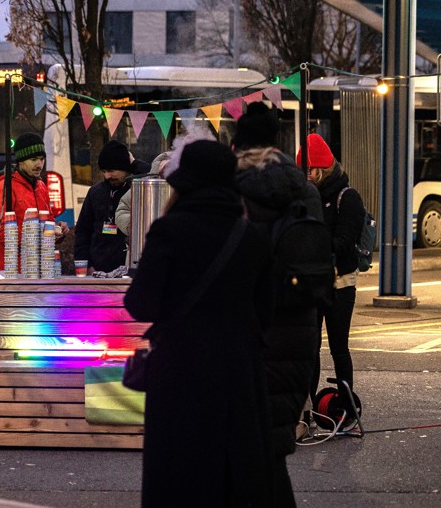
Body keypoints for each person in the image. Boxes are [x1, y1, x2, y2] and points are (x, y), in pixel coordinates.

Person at [124, 140, 274, 507]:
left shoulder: (169, 231)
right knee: (231, 479)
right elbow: (268, 311)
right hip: (238, 375)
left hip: (178, 373)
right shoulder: (250, 236)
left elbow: (140, 305)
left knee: (177, 479)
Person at [233, 102, 326, 506]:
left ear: (238, 145)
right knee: (274, 447)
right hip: (301, 331)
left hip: (253, 332)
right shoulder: (304, 189)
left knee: (245, 454)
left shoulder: (235, 190)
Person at [298, 133, 366, 400]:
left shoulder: (347, 197)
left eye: (310, 171)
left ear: (322, 169)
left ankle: (346, 407)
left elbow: (344, 241)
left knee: (339, 347)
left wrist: (311, 244)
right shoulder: (305, 196)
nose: (306, 176)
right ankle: (306, 409)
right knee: (309, 348)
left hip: (340, 284)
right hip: (313, 282)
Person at [0, 132, 68, 271]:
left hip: (43, 269)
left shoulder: (41, 187)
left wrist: (58, 230)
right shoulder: (4, 188)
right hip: (15, 271)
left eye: (42, 159)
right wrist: (38, 235)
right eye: (34, 159)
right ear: (20, 161)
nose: (39, 164)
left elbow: (48, 222)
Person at [74, 140, 149, 275]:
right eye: (104, 171)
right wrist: (87, 265)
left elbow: (152, 175)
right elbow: (82, 231)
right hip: (96, 271)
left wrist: (134, 163)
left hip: (127, 271)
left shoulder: (137, 189)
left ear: (126, 168)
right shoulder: (95, 192)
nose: (107, 176)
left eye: (111, 170)